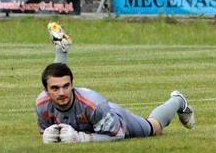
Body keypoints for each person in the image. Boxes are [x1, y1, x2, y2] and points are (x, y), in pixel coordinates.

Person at [37, 22, 195, 144]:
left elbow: (118, 134)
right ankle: (61, 49)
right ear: (46, 90)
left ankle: (177, 100)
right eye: (54, 88)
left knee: (154, 128)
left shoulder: (94, 104)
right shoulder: (42, 104)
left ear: (72, 85)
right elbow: (48, 132)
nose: (62, 92)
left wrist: (81, 138)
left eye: (66, 86)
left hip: (114, 117)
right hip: (93, 119)